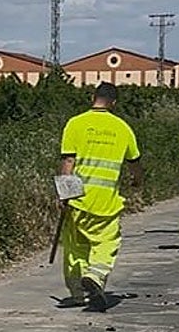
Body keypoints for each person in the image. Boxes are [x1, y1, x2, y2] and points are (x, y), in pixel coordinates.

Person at [56, 81, 142, 312]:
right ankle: (96, 274)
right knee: (106, 242)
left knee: (75, 248)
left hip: (78, 198)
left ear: (92, 97)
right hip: (106, 201)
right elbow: (134, 164)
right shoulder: (123, 128)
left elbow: (68, 161)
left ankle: (77, 294)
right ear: (114, 103)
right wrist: (137, 181)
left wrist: (63, 194)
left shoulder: (75, 123)